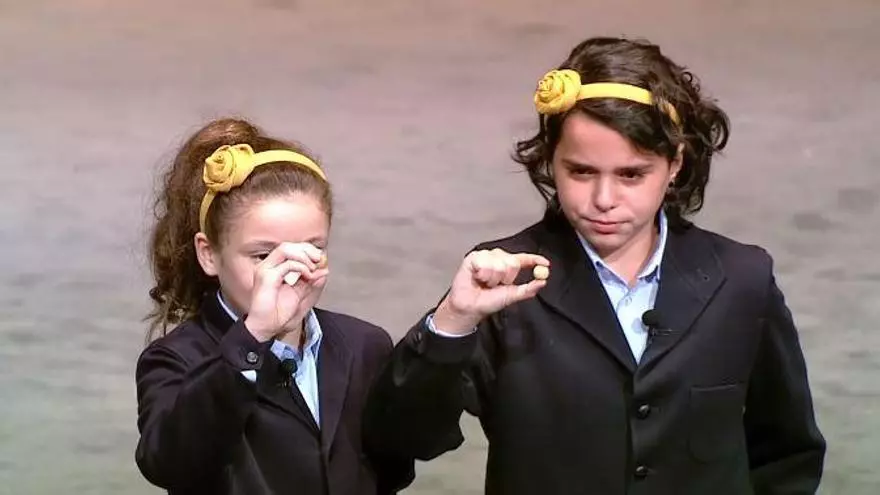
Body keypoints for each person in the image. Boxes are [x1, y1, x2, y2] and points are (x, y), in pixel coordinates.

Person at [364, 37, 825, 494]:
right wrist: (453, 322)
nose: (604, 200)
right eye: (581, 172)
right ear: (550, 161)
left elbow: (787, 456)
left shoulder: (742, 280)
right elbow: (403, 439)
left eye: (631, 174)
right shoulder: (504, 284)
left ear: (675, 165)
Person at [135, 118, 413, 495]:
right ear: (209, 254)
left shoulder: (364, 344)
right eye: (263, 256)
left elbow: (395, 470)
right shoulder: (177, 358)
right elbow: (169, 463)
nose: (290, 274)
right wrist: (254, 336)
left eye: (312, 249)